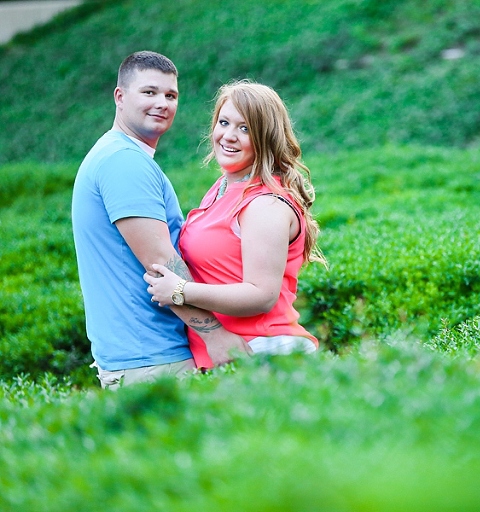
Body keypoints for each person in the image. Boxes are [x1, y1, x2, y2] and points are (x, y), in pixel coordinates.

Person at [72, 51, 248, 389]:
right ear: (120, 97)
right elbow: (160, 263)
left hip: (146, 355)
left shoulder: (120, 156)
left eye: (171, 95)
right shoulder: (124, 163)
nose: (162, 103)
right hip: (153, 359)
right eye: (149, 92)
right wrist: (215, 335)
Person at [144, 80, 325, 369]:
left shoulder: (264, 204)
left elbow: (261, 294)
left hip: (264, 353)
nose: (229, 136)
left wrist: (180, 290)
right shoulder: (222, 188)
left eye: (245, 129)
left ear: (266, 137)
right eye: (224, 122)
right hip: (230, 356)